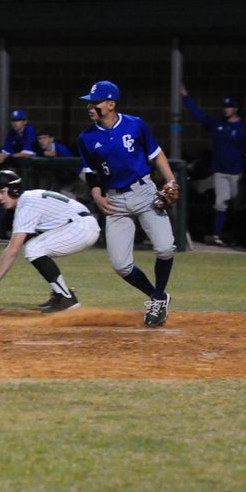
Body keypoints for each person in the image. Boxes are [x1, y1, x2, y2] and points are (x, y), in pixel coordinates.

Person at [77, 80, 176, 327]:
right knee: (121, 265)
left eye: (95, 102)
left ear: (111, 104)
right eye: (89, 102)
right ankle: (158, 297)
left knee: (165, 248)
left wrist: (171, 180)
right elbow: (91, 173)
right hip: (114, 200)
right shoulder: (86, 137)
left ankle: (157, 298)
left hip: (143, 192)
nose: (90, 107)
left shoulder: (135, 125)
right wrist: (97, 196)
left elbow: (156, 154)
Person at [0, 169, 100, 313]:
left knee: (34, 248)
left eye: (2, 191)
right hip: (79, 224)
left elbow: (13, 249)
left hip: (81, 227)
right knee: (35, 247)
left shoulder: (26, 205)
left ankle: (66, 298)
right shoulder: (29, 199)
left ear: (14, 189)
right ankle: (60, 294)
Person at [181, 87, 246, 246]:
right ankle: (217, 234)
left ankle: (239, 237)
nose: (226, 109)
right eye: (225, 107)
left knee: (237, 204)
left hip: (237, 172)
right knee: (220, 202)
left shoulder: (244, 128)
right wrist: (186, 97)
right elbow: (199, 116)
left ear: (235, 109)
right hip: (221, 171)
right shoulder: (217, 124)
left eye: (229, 107)